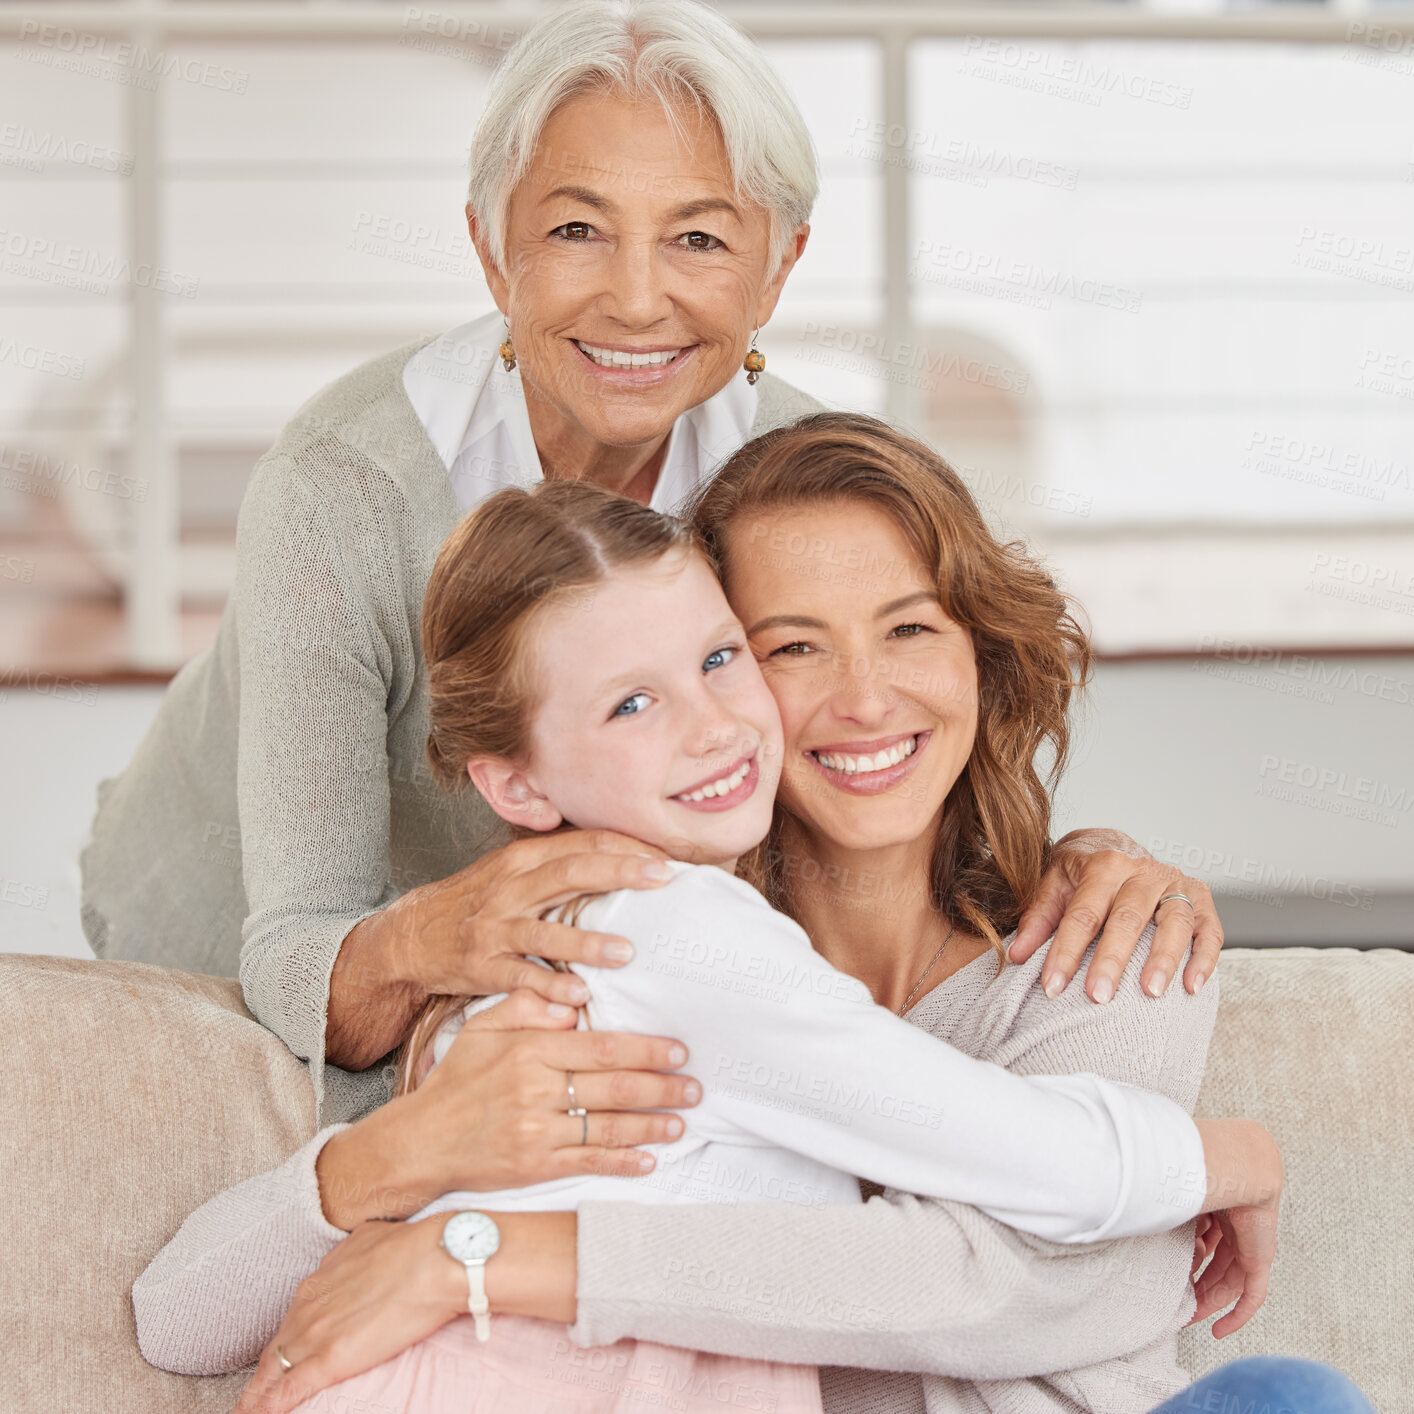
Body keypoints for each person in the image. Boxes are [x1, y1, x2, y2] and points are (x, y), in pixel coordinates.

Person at [80, 0, 1224, 1137]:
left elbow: (879, 747)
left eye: (700, 238)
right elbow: (294, 946)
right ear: (492, 250)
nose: (636, 297)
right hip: (261, 934)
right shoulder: (344, 490)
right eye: (577, 231)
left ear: (776, 271)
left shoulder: (797, 481)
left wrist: (1079, 861)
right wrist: (437, 934)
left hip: (561, 975)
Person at [137, 417, 1314, 1414]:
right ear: (521, 783)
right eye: (787, 645)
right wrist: (400, 1155)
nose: (861, 697)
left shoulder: (1109, 937)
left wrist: (482, 1257)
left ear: (981, 651)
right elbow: (182, 1312)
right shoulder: (613, 954)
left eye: (908, 626)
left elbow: (1037, 1285)